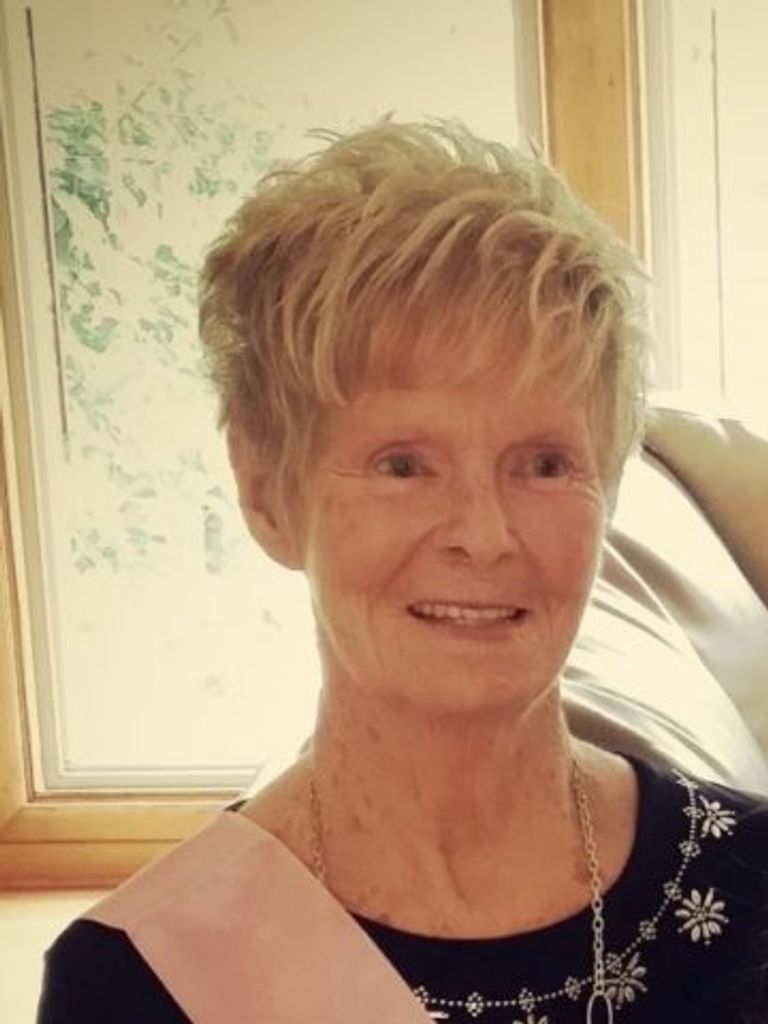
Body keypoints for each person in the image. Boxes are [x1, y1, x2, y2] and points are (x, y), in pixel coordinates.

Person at [38, 120, 768, 1023]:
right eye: (403, 464)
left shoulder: (754, 891)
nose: (485, 535)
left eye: (544, 464)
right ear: (267, 493)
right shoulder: (135, 983)